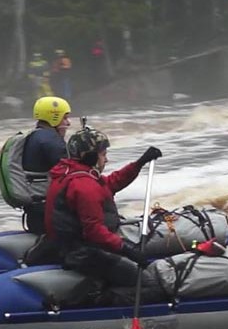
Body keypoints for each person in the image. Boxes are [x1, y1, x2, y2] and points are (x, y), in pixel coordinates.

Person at [44, 123, 163, 288]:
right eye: (103, 154)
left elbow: (111, 183)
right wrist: (125, 249)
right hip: (84, 253)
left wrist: (139, 163)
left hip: (74, 246)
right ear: (90, 157)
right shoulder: (83, 185)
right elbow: (94, 231)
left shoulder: (71, 172)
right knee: (148, 282)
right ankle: (104, 296)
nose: (106, 159)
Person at [20, 96, 73, 233]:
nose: (68, 123)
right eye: (65, 118)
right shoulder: (52, 140)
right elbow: (72, 173)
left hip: (34, 211)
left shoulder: (33, 136)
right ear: (53, 117)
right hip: (49, 213)